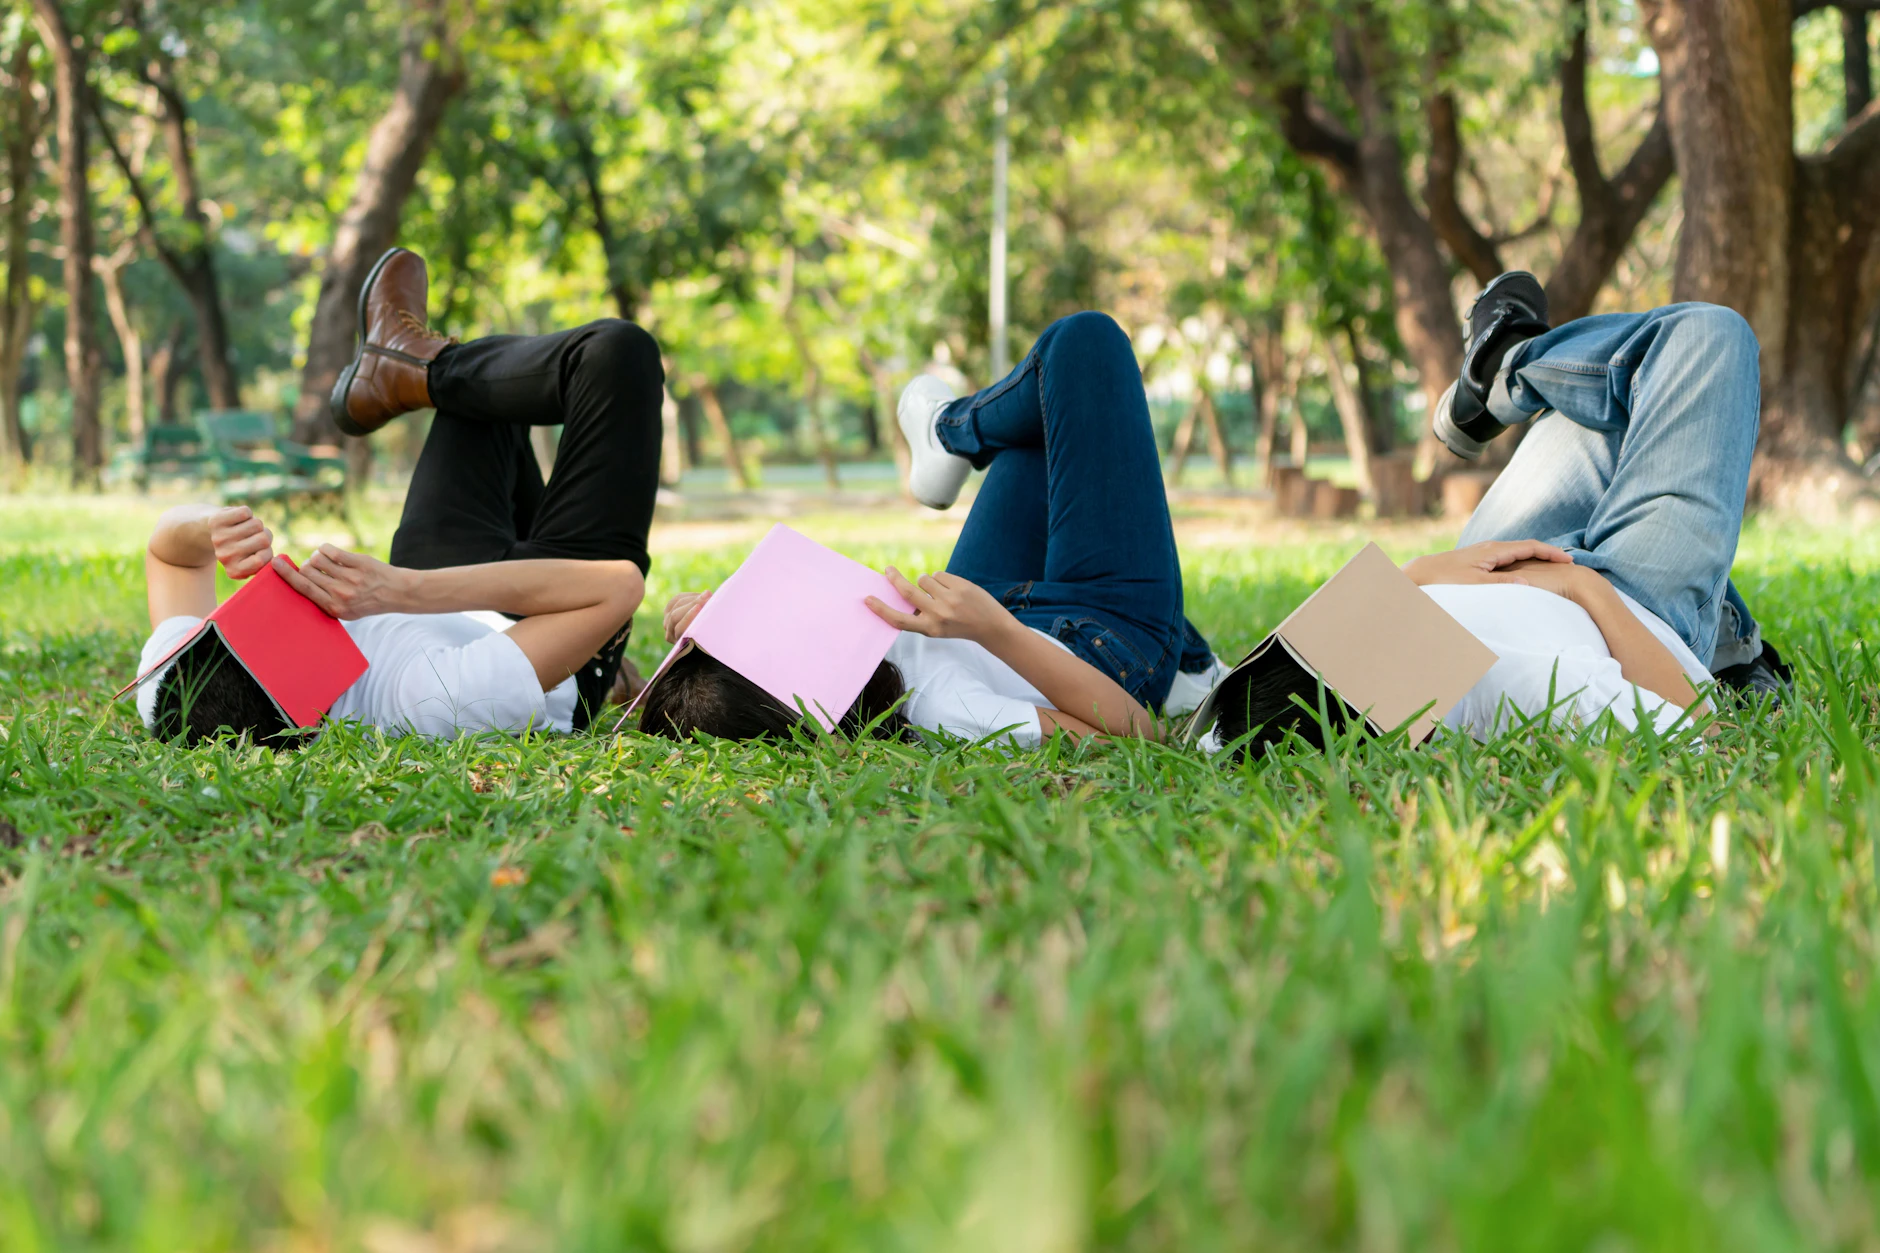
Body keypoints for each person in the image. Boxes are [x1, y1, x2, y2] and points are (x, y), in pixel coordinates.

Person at [1219, 274, 1787, 750]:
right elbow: (1693, 728)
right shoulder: (1507, 687)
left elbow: (1277, 664)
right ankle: (1510, 364)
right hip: (1625, 607)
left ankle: (1735, 643)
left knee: (1617, 404)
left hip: (1489, 559)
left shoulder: (1257, 702)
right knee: (1707, 339)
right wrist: (1582, 586)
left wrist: (1422, 572)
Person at [136, 247, 660, 744]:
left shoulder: (174, 684)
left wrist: (209, 527)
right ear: (311, 687)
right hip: (547, 620)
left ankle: (407, 369)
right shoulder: (431, 700)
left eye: (240, 617)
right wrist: (400, 591)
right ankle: (419, 369)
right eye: (277, 624)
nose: (274, 590)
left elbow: (169, 556)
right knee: (615, 355)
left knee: (491, 390)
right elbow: (616, 588)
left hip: (431, 583)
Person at [642, 311, 1231, 745]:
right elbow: (1138, 734)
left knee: (1039, 425)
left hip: (973, 608)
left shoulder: (836, 644)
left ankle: (1194, 662)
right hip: (1101, 646)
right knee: (1084, 346)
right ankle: (951, 430)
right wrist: (996, 632)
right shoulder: (944, 710)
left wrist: (713, 611)